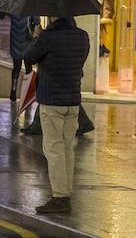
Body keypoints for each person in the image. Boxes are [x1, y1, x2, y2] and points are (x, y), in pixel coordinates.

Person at [23, 16, 91, 216]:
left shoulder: (49, 37)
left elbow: (28, 56)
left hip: (52, 100)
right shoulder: (83, 37)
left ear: (54, 17)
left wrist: (37, 37)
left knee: (54, 149)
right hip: (72, 100)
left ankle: (60, 197)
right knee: (67, 147)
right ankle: (65, 192)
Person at [8, 13, 39, 105]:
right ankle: (27, 95)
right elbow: (36, 21)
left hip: (15, 38)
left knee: (16, 68)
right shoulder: (31, 6)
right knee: (28, 69)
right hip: (27, 40)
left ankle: (13, 91)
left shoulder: (15, 6)